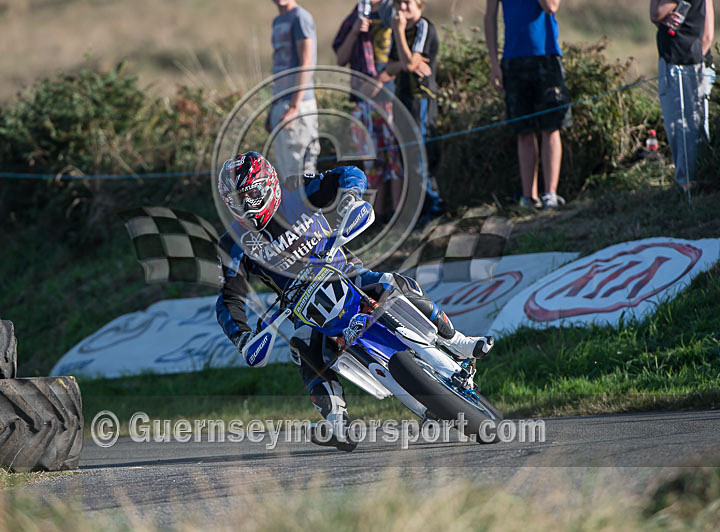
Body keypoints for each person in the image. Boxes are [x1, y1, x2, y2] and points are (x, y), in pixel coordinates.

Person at [215, 152, 494, 451]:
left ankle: (456, 340)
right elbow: (229, 297)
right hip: (302, 308)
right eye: (236, 200)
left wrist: (349, 198)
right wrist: (242, 337)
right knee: (302, 346)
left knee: (391, 283)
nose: (246, 206)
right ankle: (336, 421)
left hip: (346, 273)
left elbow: (348, 174)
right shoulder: (232, 243)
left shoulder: (297, 189)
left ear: (268, 183)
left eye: (252, 194)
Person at [485, 0, 572, 210]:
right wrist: (495, 64)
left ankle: (550, 194)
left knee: (550, 127)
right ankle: (528, 197)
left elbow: (551, 7)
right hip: (513, 59)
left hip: (546, 56)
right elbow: (490, 17)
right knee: (523, 130)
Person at [333, 0, 404, 220]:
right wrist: (355, 31)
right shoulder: (355, 15)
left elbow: (404, 53)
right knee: (371, 163)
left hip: (389, 97)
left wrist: (381, 81)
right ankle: (376, 217)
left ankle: (398, 215)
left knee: (394, 159)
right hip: (361, 102)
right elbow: (340, 58)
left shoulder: (393, 10)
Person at [377, 0, 445, 219]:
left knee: (421, 154)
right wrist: (408, 62)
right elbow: (390, 68)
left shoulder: (423, 27)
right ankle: (420, 208)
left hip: (420, 100)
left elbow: (406, 64)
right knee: (408, 156)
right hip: (402, 100)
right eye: (399, 4)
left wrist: (399, 36)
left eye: (407, 3)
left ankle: (434, 206)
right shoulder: (400, 31)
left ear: (419, 5)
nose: (402, 8)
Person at [650, 0, 715, 191]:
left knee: (683, 127)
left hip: (682, 62)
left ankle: (689, 185)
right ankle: (699, 179)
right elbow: (708, 35)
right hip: (694, 61)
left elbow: (655, 13)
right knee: (695, 126)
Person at [269, 0, 320, 177]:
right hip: (281, 102)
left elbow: (306, 63)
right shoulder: (278, 21)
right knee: (284, 173)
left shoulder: (301, 17)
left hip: (298, 104)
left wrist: (294, 106)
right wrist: (273, 107)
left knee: (301, 171)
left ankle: (304, 206)